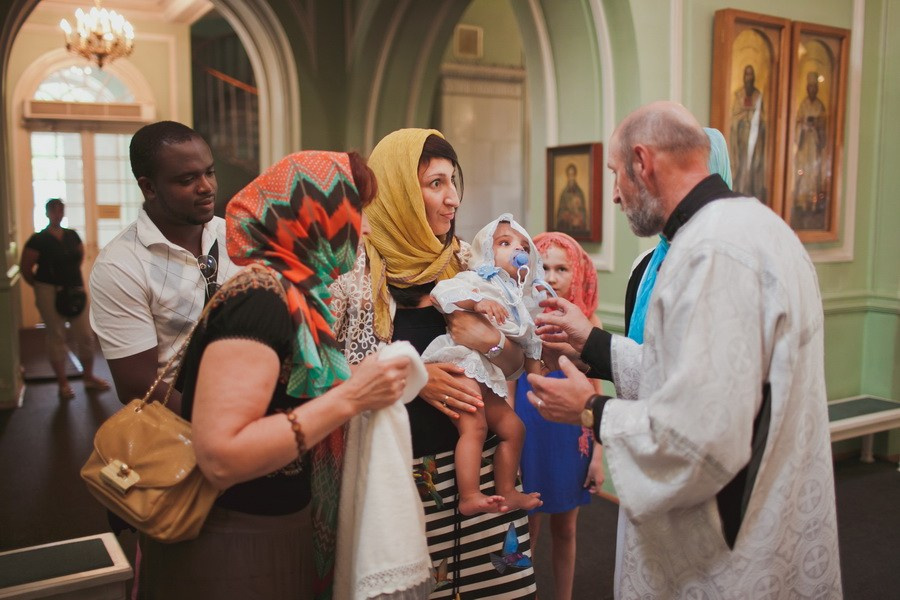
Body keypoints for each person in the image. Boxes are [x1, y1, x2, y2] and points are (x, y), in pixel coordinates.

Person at [528, 101, 842, 598]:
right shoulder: (758, 227)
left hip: (724, 550)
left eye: (615, 175)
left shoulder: (712, 253)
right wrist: (593, 342)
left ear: (642, 162)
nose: (613, 195)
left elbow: (702, 437)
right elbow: (692, 374)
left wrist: (590, 409)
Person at [137, 151, 422, 600]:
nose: (366, 228)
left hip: (272, 526)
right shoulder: (262, 298)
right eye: (358, 210)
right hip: (233, 539)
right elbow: (220, 455)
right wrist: (350, 398)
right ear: (315, 215)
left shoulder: (300, 297)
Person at [330, 128, 538, 598]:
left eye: (452, 182)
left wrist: (488, 341)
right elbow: (330, 372)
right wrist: (415, 379)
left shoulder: (466, 263)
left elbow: (512, 364)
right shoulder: (356, 274)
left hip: (482, 468)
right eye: (435, 184)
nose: (453, 199)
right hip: (405, 474)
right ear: (400, 191)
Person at [90, 121, 240, 410]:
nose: (206, 187)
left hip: (251, 407)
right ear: (149, 187)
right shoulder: (120, 265)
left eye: (209, 172)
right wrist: (216, 427)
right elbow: (137, 385)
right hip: (180, 425)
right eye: (187, 180)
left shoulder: (236, 235)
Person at [422, 213, 545, 516]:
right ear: (487, 251)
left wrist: (540, 383)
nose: (517, 250)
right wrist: (476, 302)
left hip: (488, 372)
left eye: (523, 246)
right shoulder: (476, 277)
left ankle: (506, 490)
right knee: (474, 427)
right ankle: (470, 495)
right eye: (505, 243)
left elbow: (530, 346)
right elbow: (443, 294)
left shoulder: (520, 299)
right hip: (461, 363)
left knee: (515, 428)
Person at [512, 231, 604, 600]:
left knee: (566, 527)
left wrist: (598, 454)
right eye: (544, 267)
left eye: (561, 268)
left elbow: (596, 393)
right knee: (526, 528)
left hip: (571, 432)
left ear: (577, 273)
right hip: (529, 425)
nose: (551, 277)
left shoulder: (590, 327)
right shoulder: (521, 317)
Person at [19, 198, 110, 399]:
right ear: (47, 213)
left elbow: (79, 256)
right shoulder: (38, 239)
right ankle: (63, 383)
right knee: (56, 336)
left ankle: (88, 377)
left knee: (85, 335)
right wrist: (40, 286)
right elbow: (26, 267)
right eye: (53, 211)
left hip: (74, 289)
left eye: (60, 211)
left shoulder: (72, 235)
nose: (57, 214)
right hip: (48, 291)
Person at [793, 71, 828, 225]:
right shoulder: (803, 105)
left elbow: (823, 126)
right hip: (805, 144)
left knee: (814, 175)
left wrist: (816, 126)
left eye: (815, 87)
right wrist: (804, 126)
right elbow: (798, 123)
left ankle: (813, 203)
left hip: (814, 144)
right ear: (807, 88)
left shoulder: (820, 106)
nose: (812, 90)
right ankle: (801, 202)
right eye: (810, 87)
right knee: (802, 172)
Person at [729, 64, 767, 202]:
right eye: (747, 75)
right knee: (741, 167)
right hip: (740, 141)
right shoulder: (738, 95)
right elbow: (733, 118)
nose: (749, 78)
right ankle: (739, 192)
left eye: (751, 75)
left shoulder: (758, 96)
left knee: (752, 168)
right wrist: (744, 116)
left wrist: (753, 116)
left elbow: (763, 119)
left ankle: (752, 195)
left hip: (755, 141)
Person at [555, 163, 587, 231]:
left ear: (575, 176)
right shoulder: (564, 194)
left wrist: (579, 216)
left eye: (572, 175)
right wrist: (566, 215)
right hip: (565, 227)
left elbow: (584, 214)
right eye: (569, 175)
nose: (571, 178)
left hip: (578, 228)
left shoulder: (580, 193)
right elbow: (559, 214)